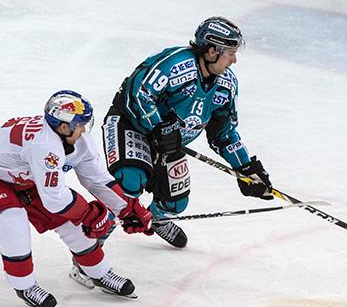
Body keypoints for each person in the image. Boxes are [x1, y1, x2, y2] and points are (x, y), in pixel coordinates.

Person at [101, 16, 273, 249]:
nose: (234, 60)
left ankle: (158, 220)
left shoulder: (227, 85)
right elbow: (138, 94)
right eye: (230, 52)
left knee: (176, 202)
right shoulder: (174, 64)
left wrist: (244, 168)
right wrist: (158, 126)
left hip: (170, 144)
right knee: (129, 185)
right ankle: (88, 253)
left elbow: (223, 134)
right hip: (132, 126)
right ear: (211, 51)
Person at [0, 90, 153, 307]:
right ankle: (25, 286)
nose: (83, 130)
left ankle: (99, 273)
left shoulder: (77, 141)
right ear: (63, 127)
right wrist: (91, 215)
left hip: (25, 178)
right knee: (13, 222)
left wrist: (129, 209)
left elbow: (97, 179)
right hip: (6, 180)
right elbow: (56, 199)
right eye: (80, 124)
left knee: (73, 227)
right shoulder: (44, 146)